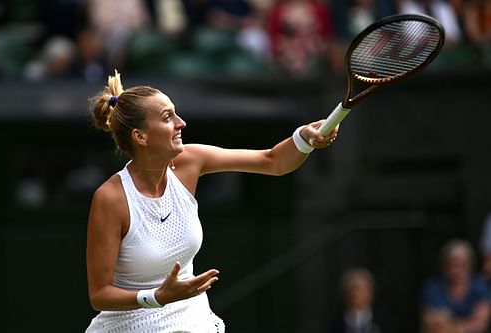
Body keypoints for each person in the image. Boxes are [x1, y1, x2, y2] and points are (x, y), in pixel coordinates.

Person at [84, 70, 339, 332]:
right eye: (167, 117)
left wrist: (304, 138)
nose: (181, 123)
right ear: (141, 136)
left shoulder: (191, 161)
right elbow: (100, 294)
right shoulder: (111, 199)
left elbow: (273, 161)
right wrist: (157, 297)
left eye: (176, 113)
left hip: (190, 319)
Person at [421, 239, 490, 333]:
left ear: (469, 265)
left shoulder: (480, 286)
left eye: (461, 265)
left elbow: (480, 324)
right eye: (451, 265)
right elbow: (429, 321)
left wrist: (453, 328)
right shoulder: (433, 287)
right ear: (444, 266)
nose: (456, 270)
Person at [329, 267, 388, 333]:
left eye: (361, 291)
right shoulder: (337, 323)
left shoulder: (382, 321)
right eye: (352, 292)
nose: (356, 296)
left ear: (371, 295)